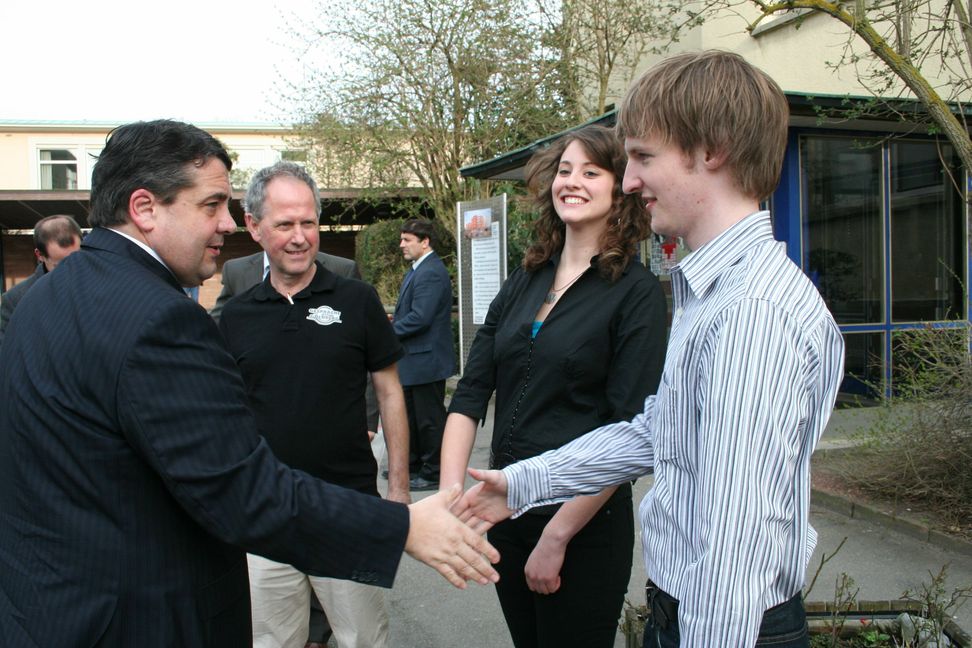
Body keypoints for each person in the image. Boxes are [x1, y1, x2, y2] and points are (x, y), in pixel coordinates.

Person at [0, 119, 498, 648]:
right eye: (211, 205)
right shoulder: (160, 319)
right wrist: (402, 528)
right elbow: (236, 486)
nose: (225, 225)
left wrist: (395, 487)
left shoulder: (42, 300)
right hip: (133, 617)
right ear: (144, 208)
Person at [461, 51, 846, 648]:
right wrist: (523, 483)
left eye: (643, 157)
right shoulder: (714, 290)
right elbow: (653, 431)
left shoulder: (749, 312)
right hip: (684, 611)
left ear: (710, 149)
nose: (630, 180)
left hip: (719, 624)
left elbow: (734, 544)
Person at [440, 125, 667, 648]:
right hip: (507, 514)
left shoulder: (636, 294)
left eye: (591, 172)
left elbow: (627, 431)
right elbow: (471, 392)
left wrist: (557, 536)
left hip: (580, 527)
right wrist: (454, 504)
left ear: (620, 188)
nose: (573, 181)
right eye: (565, 170)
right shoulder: (525, 279)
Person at [219, 161, 410, 648]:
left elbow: (389, 392)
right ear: (254, 226)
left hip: (348, 506)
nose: (300, 237)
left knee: (361, 638)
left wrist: (399, 489)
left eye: (308, 222)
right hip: (265, 512)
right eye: (285, 224)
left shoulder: (357, 299)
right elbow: (224, 412)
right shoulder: (234, 317)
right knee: (270, 641)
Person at [393, 219, 456, 491]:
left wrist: (388, 331)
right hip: (415, 360)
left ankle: (434, 473)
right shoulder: (419, 269)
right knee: (414, 418)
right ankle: (416, 466)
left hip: (426, 360)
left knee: (429, 421)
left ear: (425, 242)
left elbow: (420, 318)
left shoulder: (430, 271)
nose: (402, 245)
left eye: (407, 240)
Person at [0, 214, 82, 349]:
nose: (71, 270)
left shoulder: (102, 283)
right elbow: (7, 351)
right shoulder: (16, 300)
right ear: (40, 255)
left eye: (77, 260)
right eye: (60, 265)